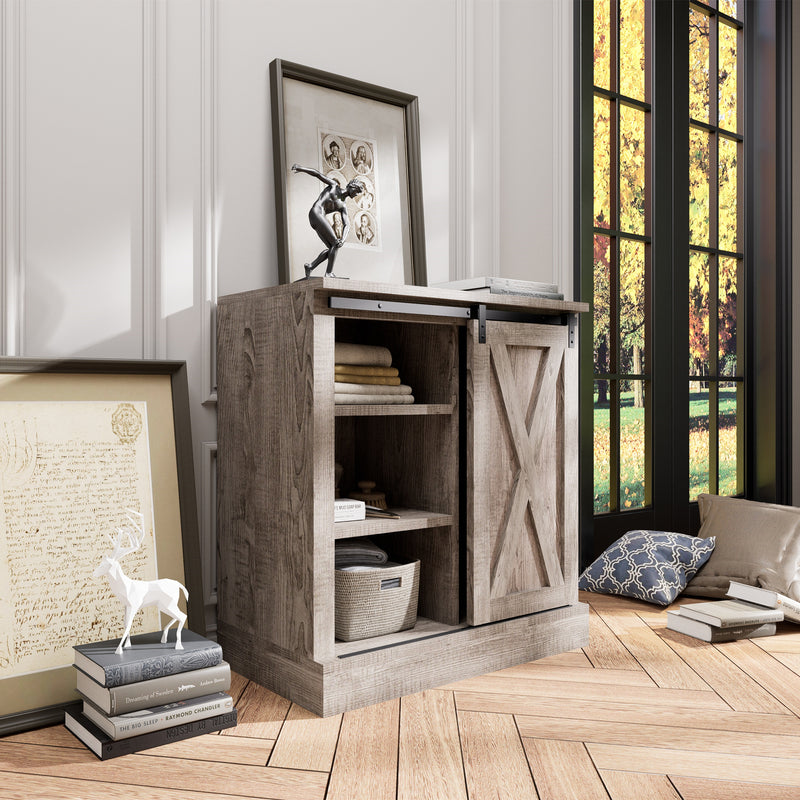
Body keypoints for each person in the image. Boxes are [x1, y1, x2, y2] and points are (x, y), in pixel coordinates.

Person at [291, 163, 363, 278]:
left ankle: (310, 266)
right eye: (357, 191)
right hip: (316, 212)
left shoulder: (343, 205)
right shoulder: (334, 186)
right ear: (352, 187)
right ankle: (329, 273)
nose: (356, 195)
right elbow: (318, 174)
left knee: (333, 248)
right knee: (335, 244)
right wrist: (301, 168)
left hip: (316, 218)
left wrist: (343, 239)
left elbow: (347, 224)